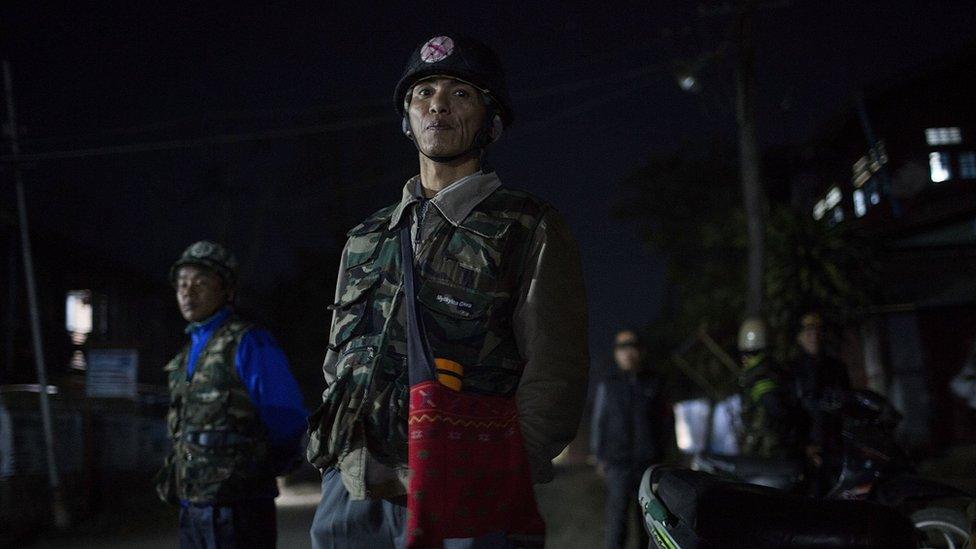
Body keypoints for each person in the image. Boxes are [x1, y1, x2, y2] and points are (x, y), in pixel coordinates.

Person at [307, 33, 589, 548]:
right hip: (353, 492)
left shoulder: (527, 226)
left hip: (466, 493)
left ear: (491, 121)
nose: (437, 103)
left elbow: (555, 370)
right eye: (423, 91)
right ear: (407, 117)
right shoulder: (366, 237)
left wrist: (504, 473)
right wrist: (338, 459)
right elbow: (338, 359)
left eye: (460, 93)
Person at [154, 241, 308, 549]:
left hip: (238, 505)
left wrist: (260, 466)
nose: (188, 292)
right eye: (182, 283)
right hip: (192, 503)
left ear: (226, 290)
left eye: (200, 283)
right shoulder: (187, 353)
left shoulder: (249, 342)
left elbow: (286, 416)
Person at [589, 329, 668, 549]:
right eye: (621, 348)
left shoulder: (655, 383)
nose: (627, 353)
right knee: (617, 522)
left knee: (649, 522)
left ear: (640, 351)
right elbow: (599, 422)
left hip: (648, 464)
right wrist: (598, 456)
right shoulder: (608, 385)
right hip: (618, 464)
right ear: (616, 354)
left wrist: (665, 458)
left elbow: (665, 424)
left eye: (631, 346)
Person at [789, 312, 850, 475]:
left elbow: (847, 403)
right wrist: (804, 447)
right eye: (808, 333)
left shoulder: (837, 368)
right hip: (809, 450)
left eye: (817, 332)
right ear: (799, 338)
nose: (813, 337)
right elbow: (790, 413)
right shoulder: (792, 370)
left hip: (837, 447)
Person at [736, 317, 794, 458]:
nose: (743, 359)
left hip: (766, 450)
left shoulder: (760, 378)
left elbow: (775, 410)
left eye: (746, 354)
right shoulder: (771, 370)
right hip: (768, 447)